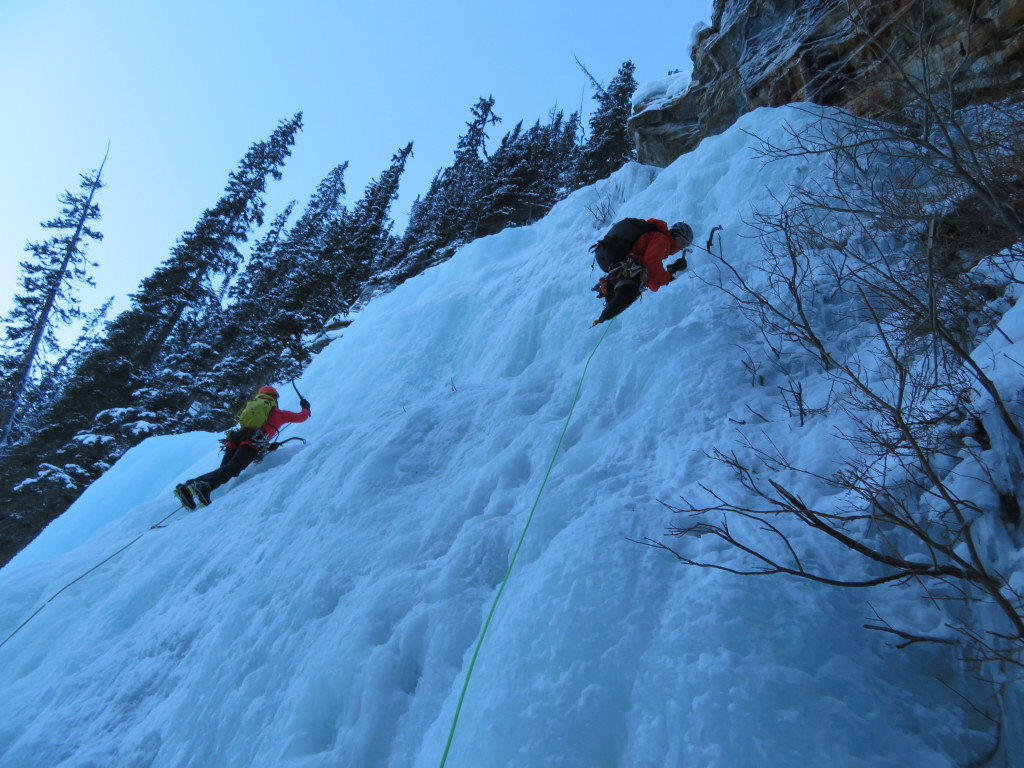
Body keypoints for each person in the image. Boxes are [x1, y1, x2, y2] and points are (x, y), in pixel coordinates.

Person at [174, 385, 311, 509]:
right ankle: (202, 485)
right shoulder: (279, 414)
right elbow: (302, 417)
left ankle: (190, 488)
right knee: (232, 469)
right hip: (252, 441)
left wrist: (268, 446)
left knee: (225, 469)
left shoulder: (253, 407)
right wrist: (305, 407)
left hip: (236, 437)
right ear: (275, 398)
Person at [591, 220, 692, 326]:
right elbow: (651, 263)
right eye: (683, 243)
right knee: (628, 293)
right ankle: (600, 323)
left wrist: (672, 270)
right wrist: (667, 277)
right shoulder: (663, 240)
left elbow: (653, 283)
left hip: (619, 266)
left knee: (621, 296)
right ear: (676, 236)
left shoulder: (660, 241)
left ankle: (600, 323)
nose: (683, 247)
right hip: (629, 265)